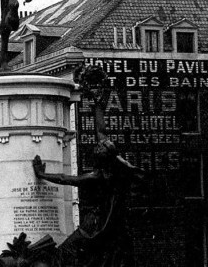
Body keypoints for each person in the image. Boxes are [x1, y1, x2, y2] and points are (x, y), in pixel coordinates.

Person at [31, 65, 142, 266]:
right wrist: (98, 103)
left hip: (95, 226)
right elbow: (101, 131)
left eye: (100, 148)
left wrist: (42, 174)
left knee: (67, 252)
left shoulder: (97, 177)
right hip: (112, 224)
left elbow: (66, 179)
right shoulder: (116, 167)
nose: (100, 143)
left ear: (101, 159)